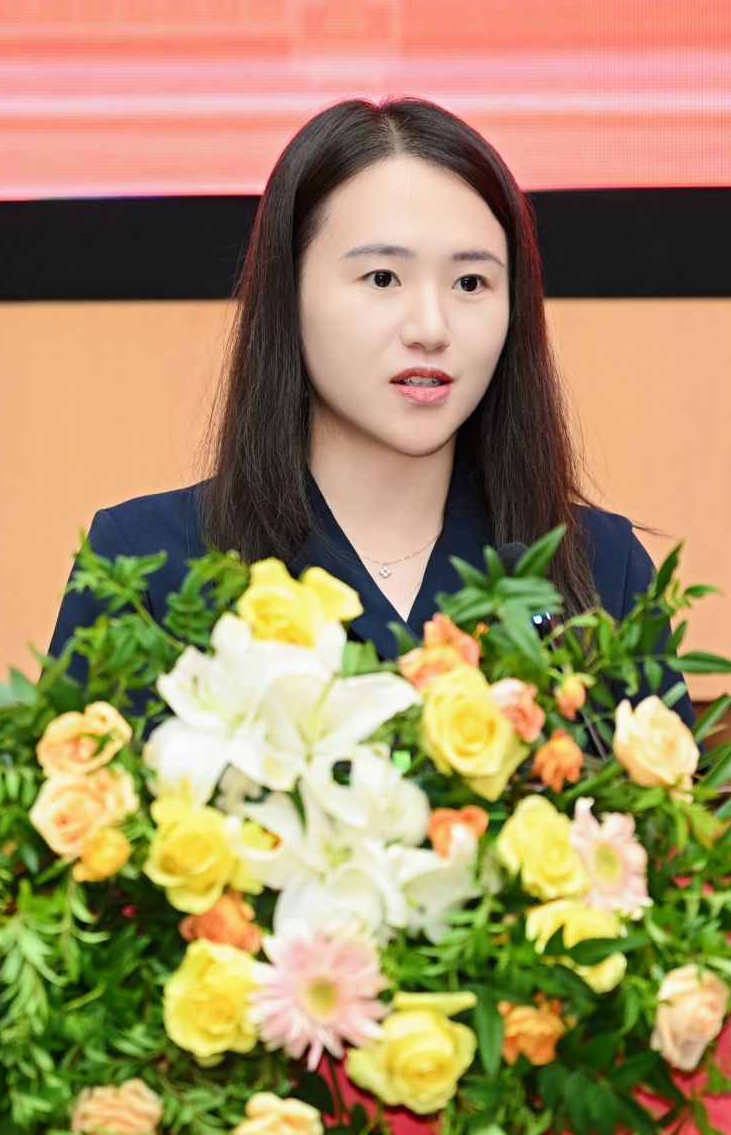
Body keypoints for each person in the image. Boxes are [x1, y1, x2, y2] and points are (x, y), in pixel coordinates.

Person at [47, 96, 697, 732]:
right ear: (288, 293)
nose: (431, 328)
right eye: (383, 278)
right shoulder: (149, 565)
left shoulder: (601, 571)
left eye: (470, 283)